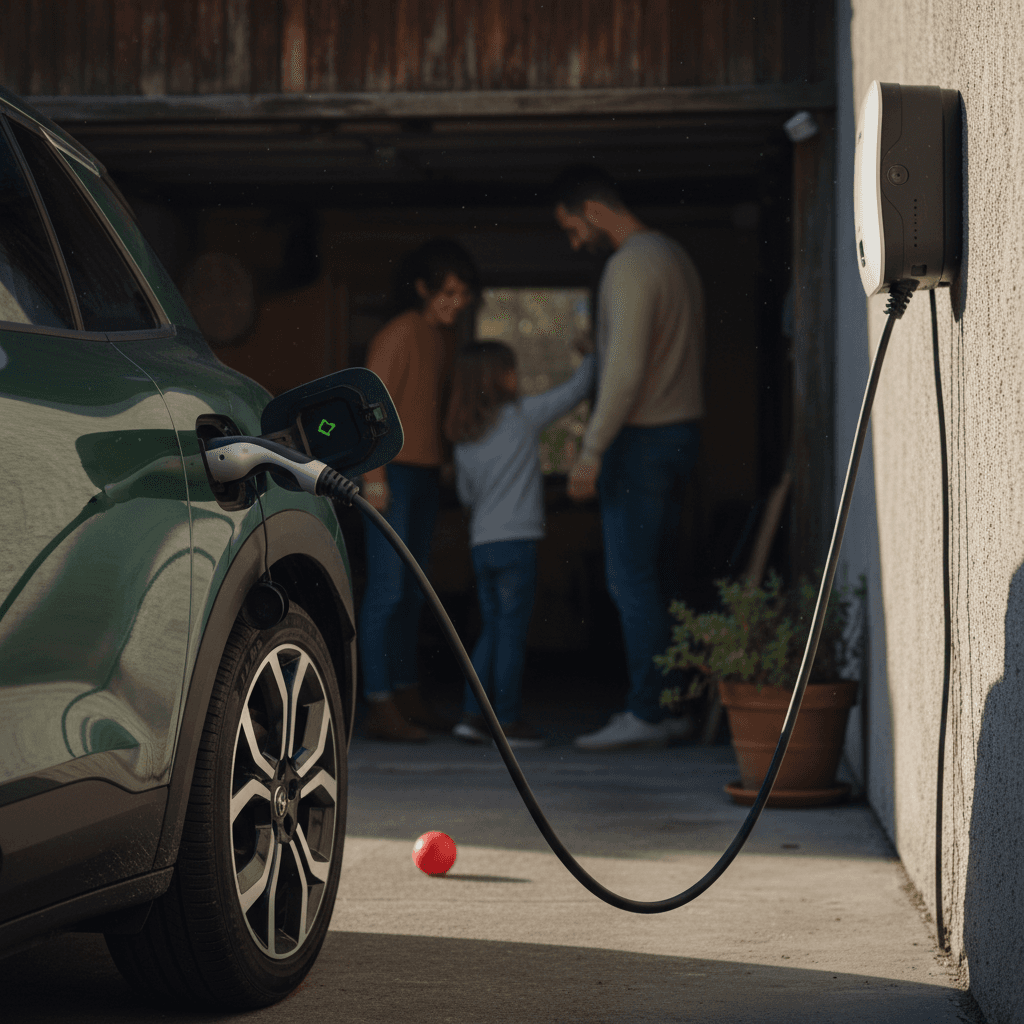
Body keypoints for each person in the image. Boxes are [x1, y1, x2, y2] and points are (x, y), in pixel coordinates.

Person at [552, 165, 705, 750]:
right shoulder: (675, 257)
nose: (574, 242)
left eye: (571, 227)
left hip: (640, 441)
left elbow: (626, 373)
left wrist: (590, 450)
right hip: (680, 434)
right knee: (660, 577)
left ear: (593, 208)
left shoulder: (629, 265)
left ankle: (647, 712)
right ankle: (671, 707)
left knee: (631, 579)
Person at [445, 339, 596, 749]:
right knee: (510, 631)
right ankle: (508, 722)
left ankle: (472, 716)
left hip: (483, 544)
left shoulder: (463, 439)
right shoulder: (522, 417)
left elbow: (467, 496)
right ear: (501, 378)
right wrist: (591, 355)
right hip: (517, 542)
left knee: (491, 631)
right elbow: (576, 391)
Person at [359, 239, 479, 742]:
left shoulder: (441, 338)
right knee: (387, 593)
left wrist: (445, 461)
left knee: (412, 593)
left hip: (425, 474)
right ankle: (379, 704)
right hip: (391, 474)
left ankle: (407, 694)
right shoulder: (399, 333)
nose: (456, 303)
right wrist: (374, 478)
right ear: (423, 289)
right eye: (448, 293)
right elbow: (370, 405)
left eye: (463, 294)